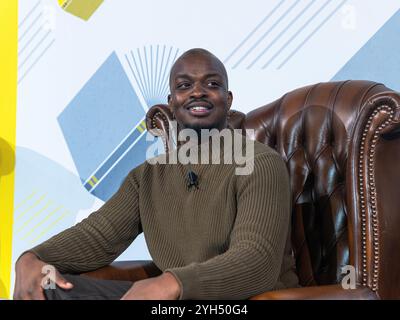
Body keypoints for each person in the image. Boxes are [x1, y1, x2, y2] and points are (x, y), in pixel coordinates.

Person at [14, 48, 298, 300]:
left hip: (243, 301)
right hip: (172, 300)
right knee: (49, 288)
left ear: (228, 98)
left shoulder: (260, 162)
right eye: (185, 85)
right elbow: (98, 235)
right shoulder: (147, 176)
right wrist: (33, 258)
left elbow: (256, 261)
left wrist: (172, 283)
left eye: (212, 84)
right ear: (172, 103)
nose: (198, 92)